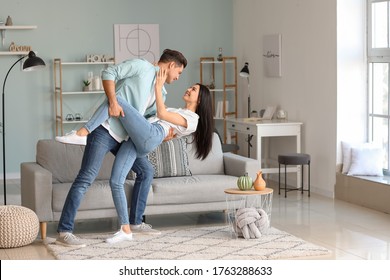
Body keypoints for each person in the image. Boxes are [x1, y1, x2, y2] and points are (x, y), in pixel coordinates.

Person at [59, 69, 214, 244]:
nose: (188, 88)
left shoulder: (193, 119)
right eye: (190, 87)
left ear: (199, 99)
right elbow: (157, 120)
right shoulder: (178, 110)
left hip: (148, 135)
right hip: (137, 136)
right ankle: (127, 227)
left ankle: (83, 132)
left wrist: (158, 85)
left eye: (193, 89)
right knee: (121, 179)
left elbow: (161, 116)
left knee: (117, 99)